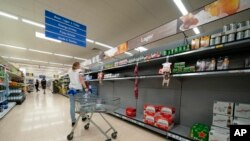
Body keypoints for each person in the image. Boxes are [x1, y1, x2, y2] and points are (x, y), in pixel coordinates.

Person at [68, 62, 88, 127]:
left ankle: (73, 121)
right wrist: (86, 88)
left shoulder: (69, 71)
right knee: (82, 104)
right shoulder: (79, 71)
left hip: (71, 90)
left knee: (72, 106)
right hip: (78, 90)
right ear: (77, 66)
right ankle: (83, 116)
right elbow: (82, 80)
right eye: (79, 65)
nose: (80, 66)